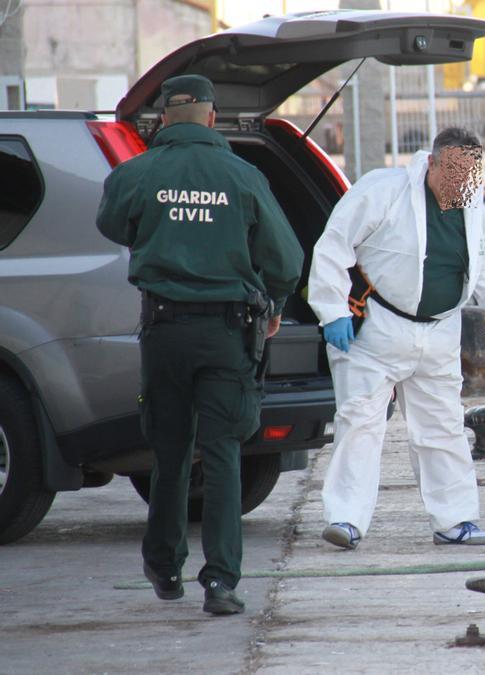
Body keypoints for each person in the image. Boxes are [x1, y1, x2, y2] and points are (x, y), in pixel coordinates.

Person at [96, 74, 303, 615]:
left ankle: (164, 567)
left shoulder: (136, 173)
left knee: (169, 451)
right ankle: (221, 583)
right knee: (223, 453)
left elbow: (111, 224)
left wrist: (165, 233)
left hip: (164, 332)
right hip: (226, 334)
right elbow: (285, 259)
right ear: (212, 118)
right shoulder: (243, 176)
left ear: (164, 118)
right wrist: (276, 305)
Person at [306, 127, 485, 550]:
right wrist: (330, 310)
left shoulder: (475, 208)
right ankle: (346, 519)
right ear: (432, 164)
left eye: (470, 175)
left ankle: (455, 520)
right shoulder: (383, 191)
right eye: (454, 173)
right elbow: (333, 247)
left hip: (440, 331)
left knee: (442, 426)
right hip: (378, 327)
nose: (462, 185)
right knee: (360, 420)